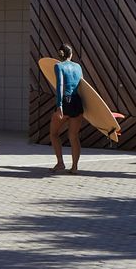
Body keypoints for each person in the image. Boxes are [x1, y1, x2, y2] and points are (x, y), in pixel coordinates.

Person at [49, 45, 86, 173]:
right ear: (71, 54)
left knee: (54, 133)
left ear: (60, 54)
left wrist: (59, 106)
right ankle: (75, 167)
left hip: (66, 101)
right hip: (77, 102)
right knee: (73, 136)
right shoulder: (78, 67)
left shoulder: (59, 66)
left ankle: (60, 163)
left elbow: (60, 86)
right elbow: (83, 87)